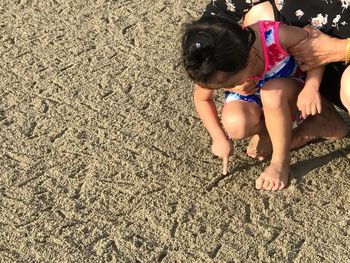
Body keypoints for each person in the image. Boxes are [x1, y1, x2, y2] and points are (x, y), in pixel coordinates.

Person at [182, 16, 324, 190]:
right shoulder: (210, 61)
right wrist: (219, 138)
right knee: (236, 124)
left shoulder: (276, 36)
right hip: (257, 96)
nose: (232, 88)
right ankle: (267, 132)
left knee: (272, 92)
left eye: (230, 84)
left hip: (290, 90)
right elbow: (202, 98)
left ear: (249, 57)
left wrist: (312, 87)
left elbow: (316, 47)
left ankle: (280, 161)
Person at [200, 0, 349, 167]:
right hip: (304, 54)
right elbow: (208, 27)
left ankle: (281, 151)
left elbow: (314, 45)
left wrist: (341, 49)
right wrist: (234, 80)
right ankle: (271, 130)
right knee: (259, 13)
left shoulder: (274, 35)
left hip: (323, 64)